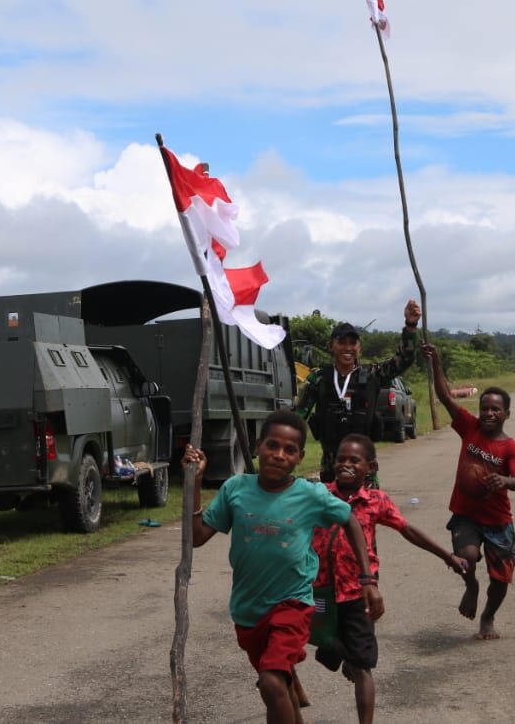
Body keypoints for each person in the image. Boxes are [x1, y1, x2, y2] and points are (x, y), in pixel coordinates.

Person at [184, 411, 381, 724]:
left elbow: (350, 520)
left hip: (293, 604)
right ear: (258, 446)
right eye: (272, 446)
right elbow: (196, 537)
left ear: (300, 457)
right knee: (280, 685)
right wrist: (194, 483)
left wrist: (367, 577)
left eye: (289, 450)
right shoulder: (235, 489)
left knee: (271, 681)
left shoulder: (311, 495)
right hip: (248, 610)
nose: (279, 455)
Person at [311, 434, 467, 723]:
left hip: (358, 594)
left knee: (362, 668)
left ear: (371, 467)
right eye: (340, 459)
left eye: (354, 461)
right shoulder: (319, 495)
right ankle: (340, 654)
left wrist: (448, 556)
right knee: (318, 639)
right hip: (320, 592)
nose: (345, 465)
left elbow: (407, 530)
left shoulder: (375, 501)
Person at [421, 343, 515, 641]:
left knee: (501, 579)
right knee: (465, 557)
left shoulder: (509, 446)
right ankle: (471, 586)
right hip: (466, 515)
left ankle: (488, 616)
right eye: (485, 408)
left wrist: (504, 481)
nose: (489, 413)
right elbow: (444, 395)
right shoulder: (469, 428)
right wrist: (436, 362)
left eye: (496, 409)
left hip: (498, 521)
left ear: (506, 413)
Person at [296, 300, 421, 482]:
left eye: (352, 343)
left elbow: (404, 360)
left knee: (367, 510)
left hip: (364, 469)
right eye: (341, 342)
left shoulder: (373, 375)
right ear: (330, 346)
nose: (347, 348)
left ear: (359, 348)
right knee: (331, 510)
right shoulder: (318, 378)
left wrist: (410, 326)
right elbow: (298, 418)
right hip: (331, 467)